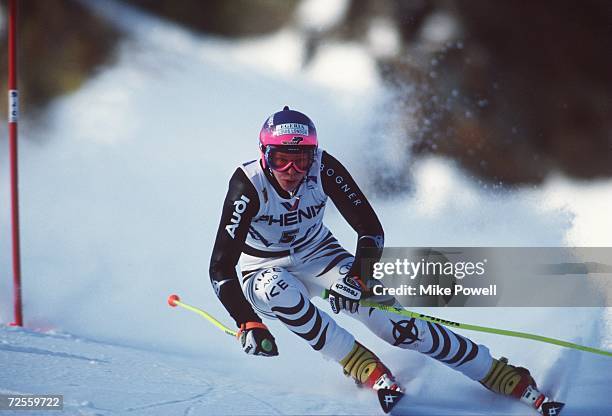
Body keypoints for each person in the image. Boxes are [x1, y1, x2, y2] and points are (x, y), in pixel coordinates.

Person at [209, 106, 551, 414]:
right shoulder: (247, 186)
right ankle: (362, 366)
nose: (292, 170)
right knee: (277, 290)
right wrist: (247, 322)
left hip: (319, 254)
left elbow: (370, 230)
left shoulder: (324, 168)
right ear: (263, 154)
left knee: (395, 326)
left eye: (302, 159)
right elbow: (221, 268)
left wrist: (359, 274)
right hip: (263, 269)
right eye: (280, 158)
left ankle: (497, 372)